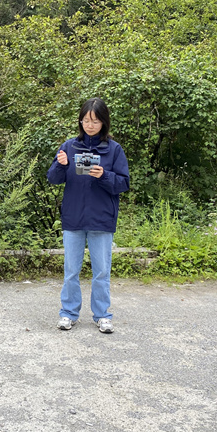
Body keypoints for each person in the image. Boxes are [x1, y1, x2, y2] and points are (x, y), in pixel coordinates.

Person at [46, 98, 130, 333]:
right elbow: (53, 179)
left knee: (101, 272)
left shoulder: (114, 150)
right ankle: (68, 313)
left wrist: (104, 175)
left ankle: (102, 315)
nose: (90, 125)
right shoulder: (69, 146)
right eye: (85, 120)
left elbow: (124, 183)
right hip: (73, 217)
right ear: (80, 121)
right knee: (71, 271)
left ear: (104, 122)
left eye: (95, 121)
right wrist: (61, 165)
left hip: (101, 219)